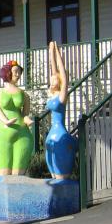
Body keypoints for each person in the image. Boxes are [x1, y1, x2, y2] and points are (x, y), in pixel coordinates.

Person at [0, 60, 34, 175]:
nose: (18, 74)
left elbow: (25, 114)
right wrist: (6, 121)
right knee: (4, 174)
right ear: (7, 72)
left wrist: (28, 120)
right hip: (3, 135)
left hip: (23, 135)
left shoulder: (24, 94)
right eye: (15, 71)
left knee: (18, 175)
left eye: (19, 72)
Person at [45, 41, 77, 179]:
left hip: (60, 133)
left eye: (54, 80)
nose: (52, 81)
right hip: (52, 133)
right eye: (51, 80)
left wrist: (57, 51)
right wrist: (50, 51)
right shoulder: (52, 94)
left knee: (60, 175)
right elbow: (54, 70)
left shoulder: (62, 96)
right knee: (52, 170)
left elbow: (63, 76)